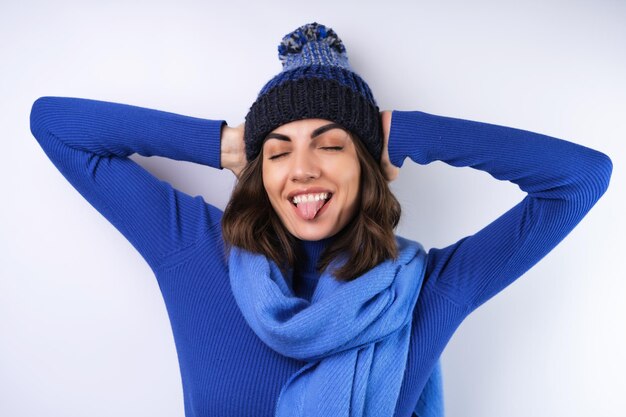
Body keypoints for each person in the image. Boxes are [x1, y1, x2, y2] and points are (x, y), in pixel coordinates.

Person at [28, 22, 612, 417]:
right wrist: (228, 144)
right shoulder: (196, 249)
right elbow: (53, 124)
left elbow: (579, 178)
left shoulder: (429, 289)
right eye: (279, 152)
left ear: (367, 164)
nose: (301, 169)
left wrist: (405, 135)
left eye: (331, 146)